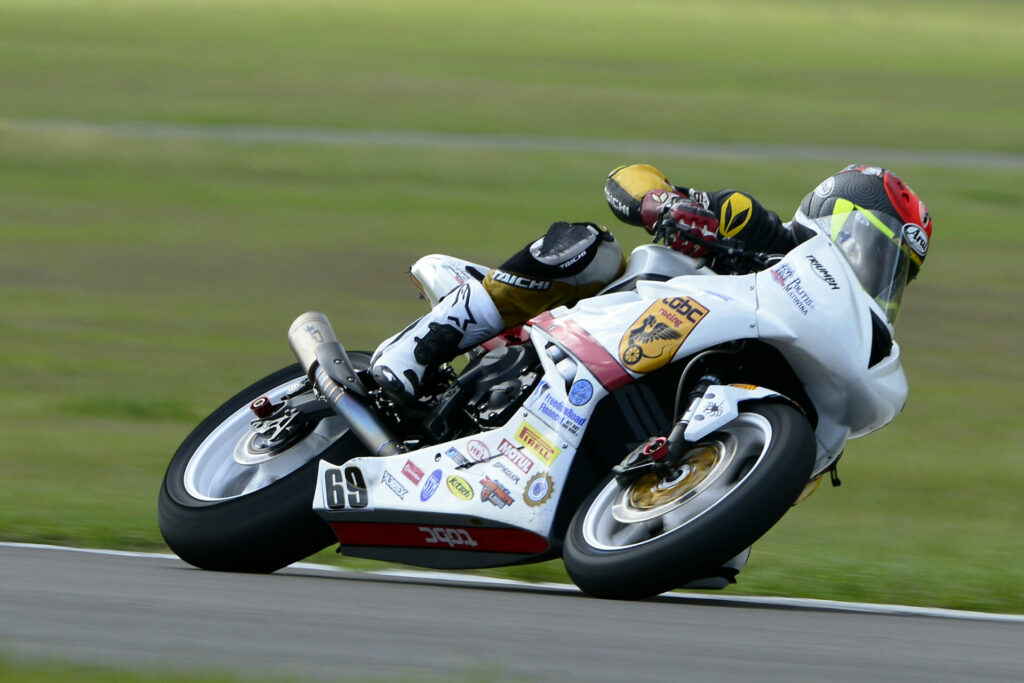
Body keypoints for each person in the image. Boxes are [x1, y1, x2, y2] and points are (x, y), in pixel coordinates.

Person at [370, 164, 932, 403]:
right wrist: (663, 203)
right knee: (591, 247)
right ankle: (416, 349)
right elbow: (626, 177)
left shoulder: (831, 324)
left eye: (894, 272)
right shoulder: (752, 222)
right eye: (874, 249)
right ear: (829, 217)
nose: (877, 275)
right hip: (619, 316)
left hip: (669, 363)